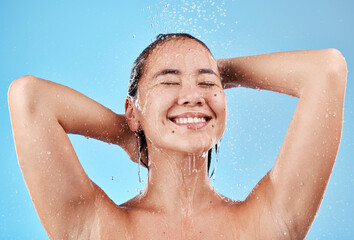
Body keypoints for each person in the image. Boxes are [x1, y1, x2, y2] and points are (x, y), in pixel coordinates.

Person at [8, 33, 347, 239]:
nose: (193, 95)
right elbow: (30, 97)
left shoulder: (269, 219)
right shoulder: (96, 227)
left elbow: (326, 70)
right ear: (132, 110)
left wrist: (221, 69)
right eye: (169, 82)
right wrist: (128, 134)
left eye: (208, 83)